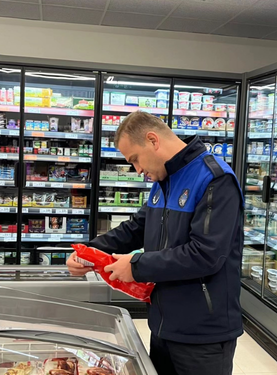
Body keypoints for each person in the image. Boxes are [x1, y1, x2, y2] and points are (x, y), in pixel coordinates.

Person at [67, 111, 243, 375]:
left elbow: (205, 255)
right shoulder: (163, 180)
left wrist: (136, 266)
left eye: (135, 159)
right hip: (163, 324)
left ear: (152, 140)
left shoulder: (215, 179)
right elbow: (137, 227)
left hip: (202, 333)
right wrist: (91, 251)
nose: (138, 170)